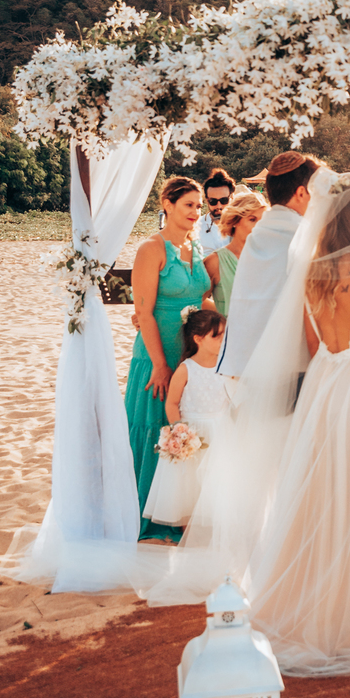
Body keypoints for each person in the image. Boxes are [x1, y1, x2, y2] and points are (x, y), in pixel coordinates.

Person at [246, 173, 350, 675]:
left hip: (323, 385)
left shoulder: (312, 269)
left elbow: (314, 343)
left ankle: (306, 603)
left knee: (320, 493)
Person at [124, 177, 219, 541]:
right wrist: (160, 364)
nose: (197, 212)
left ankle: (178, 511)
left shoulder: (194, 247)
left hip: (188, 360)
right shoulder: (152, 249)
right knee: (153, 430)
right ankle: (146, 514)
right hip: (156, 357)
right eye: (189, 205)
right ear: (167, 204)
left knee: (187, 432)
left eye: (199, 206)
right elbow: (144, 313)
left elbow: (204, 299)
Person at [218, 152, 320, 378]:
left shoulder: (260, 233)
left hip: (246, 358)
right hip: (293, 363)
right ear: (301, 193)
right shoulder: (303, 236)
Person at [142, 309, 230, 529]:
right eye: (216, 335)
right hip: (193, 432)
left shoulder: (226, 366)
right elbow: (172, 403)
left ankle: (214, 524)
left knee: (217, 479)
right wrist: (180, 431)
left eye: (224, 334)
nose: (223, 340)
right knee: (188, 482)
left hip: (220, 430)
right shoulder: (186, 369)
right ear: (198, 339)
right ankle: (188, 527)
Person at [212, 193, 266, 316]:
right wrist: (219, 320)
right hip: (231, 333)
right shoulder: (216, 261)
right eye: (252, 219)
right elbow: (196, 301)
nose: (259, 226)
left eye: (263, 221)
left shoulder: (269, 258)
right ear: (235, 221)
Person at [198, 170, 237, 254]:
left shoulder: (240, 226)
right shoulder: (197, 227)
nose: (219, 206)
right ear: (207, 200)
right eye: (213, 201)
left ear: (232, 198)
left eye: (224, 200)